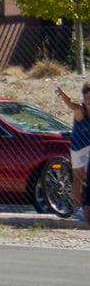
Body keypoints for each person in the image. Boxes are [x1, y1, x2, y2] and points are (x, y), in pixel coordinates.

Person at [59, 81, 90, 224]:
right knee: (79, 177)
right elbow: (71, 104)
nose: (88, 101)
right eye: (86, 98)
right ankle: (77, 208)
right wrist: (62, 93)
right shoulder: (80, 110)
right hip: (78, 147)